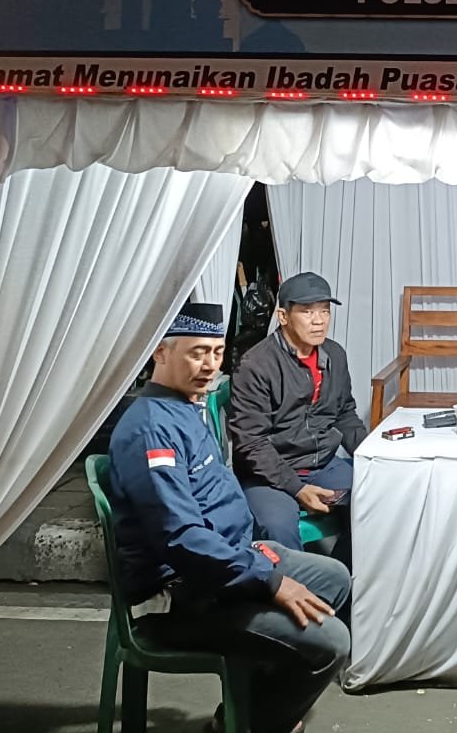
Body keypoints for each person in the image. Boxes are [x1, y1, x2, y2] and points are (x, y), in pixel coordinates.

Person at [107, 301, 350, 733]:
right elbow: (181, 537)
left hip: (230, 562)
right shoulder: (151, 429)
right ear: (160, 352)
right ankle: (252, 723)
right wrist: (269, 580)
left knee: (334, 579)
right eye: (197, 353)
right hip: (192, 590)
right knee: (330, 641)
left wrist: (258, 564)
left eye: (217, 353)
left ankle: (249, 708)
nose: (209, 365)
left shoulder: (184, 406)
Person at [230, 272, 367, 558]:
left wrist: (372, 457)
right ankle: (298, 586)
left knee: (377, 501)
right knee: (277, 526)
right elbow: (251, 443)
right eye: (307, 311)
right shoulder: (256, 364)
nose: (319, 321)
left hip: (323, 464)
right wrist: (297, 489)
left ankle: (339, 578)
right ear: (283, 316)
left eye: (324, 311)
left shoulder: (334, 355)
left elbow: (345, 413)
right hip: (268, 473)